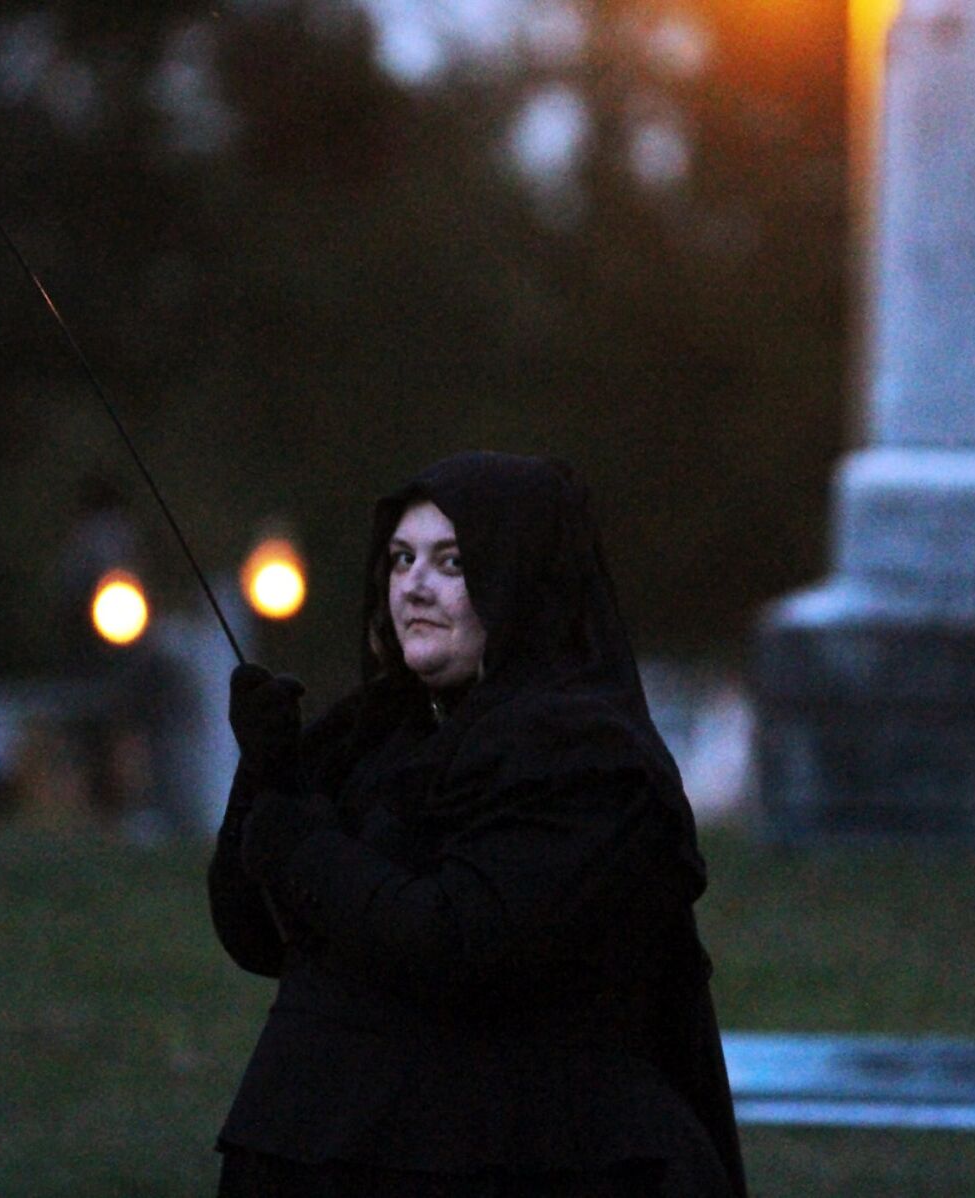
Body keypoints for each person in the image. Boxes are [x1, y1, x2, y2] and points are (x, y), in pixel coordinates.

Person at [208, 452, 748, 1197]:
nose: (413, 586)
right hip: (319, 1146)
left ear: (522, 579)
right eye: (400, 559)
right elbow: (255, 934)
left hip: (514, 1158)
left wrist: (298, 841)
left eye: (452, 562)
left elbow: (459, 942)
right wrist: (264, 775)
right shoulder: (367, 735)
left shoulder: (583, 758)